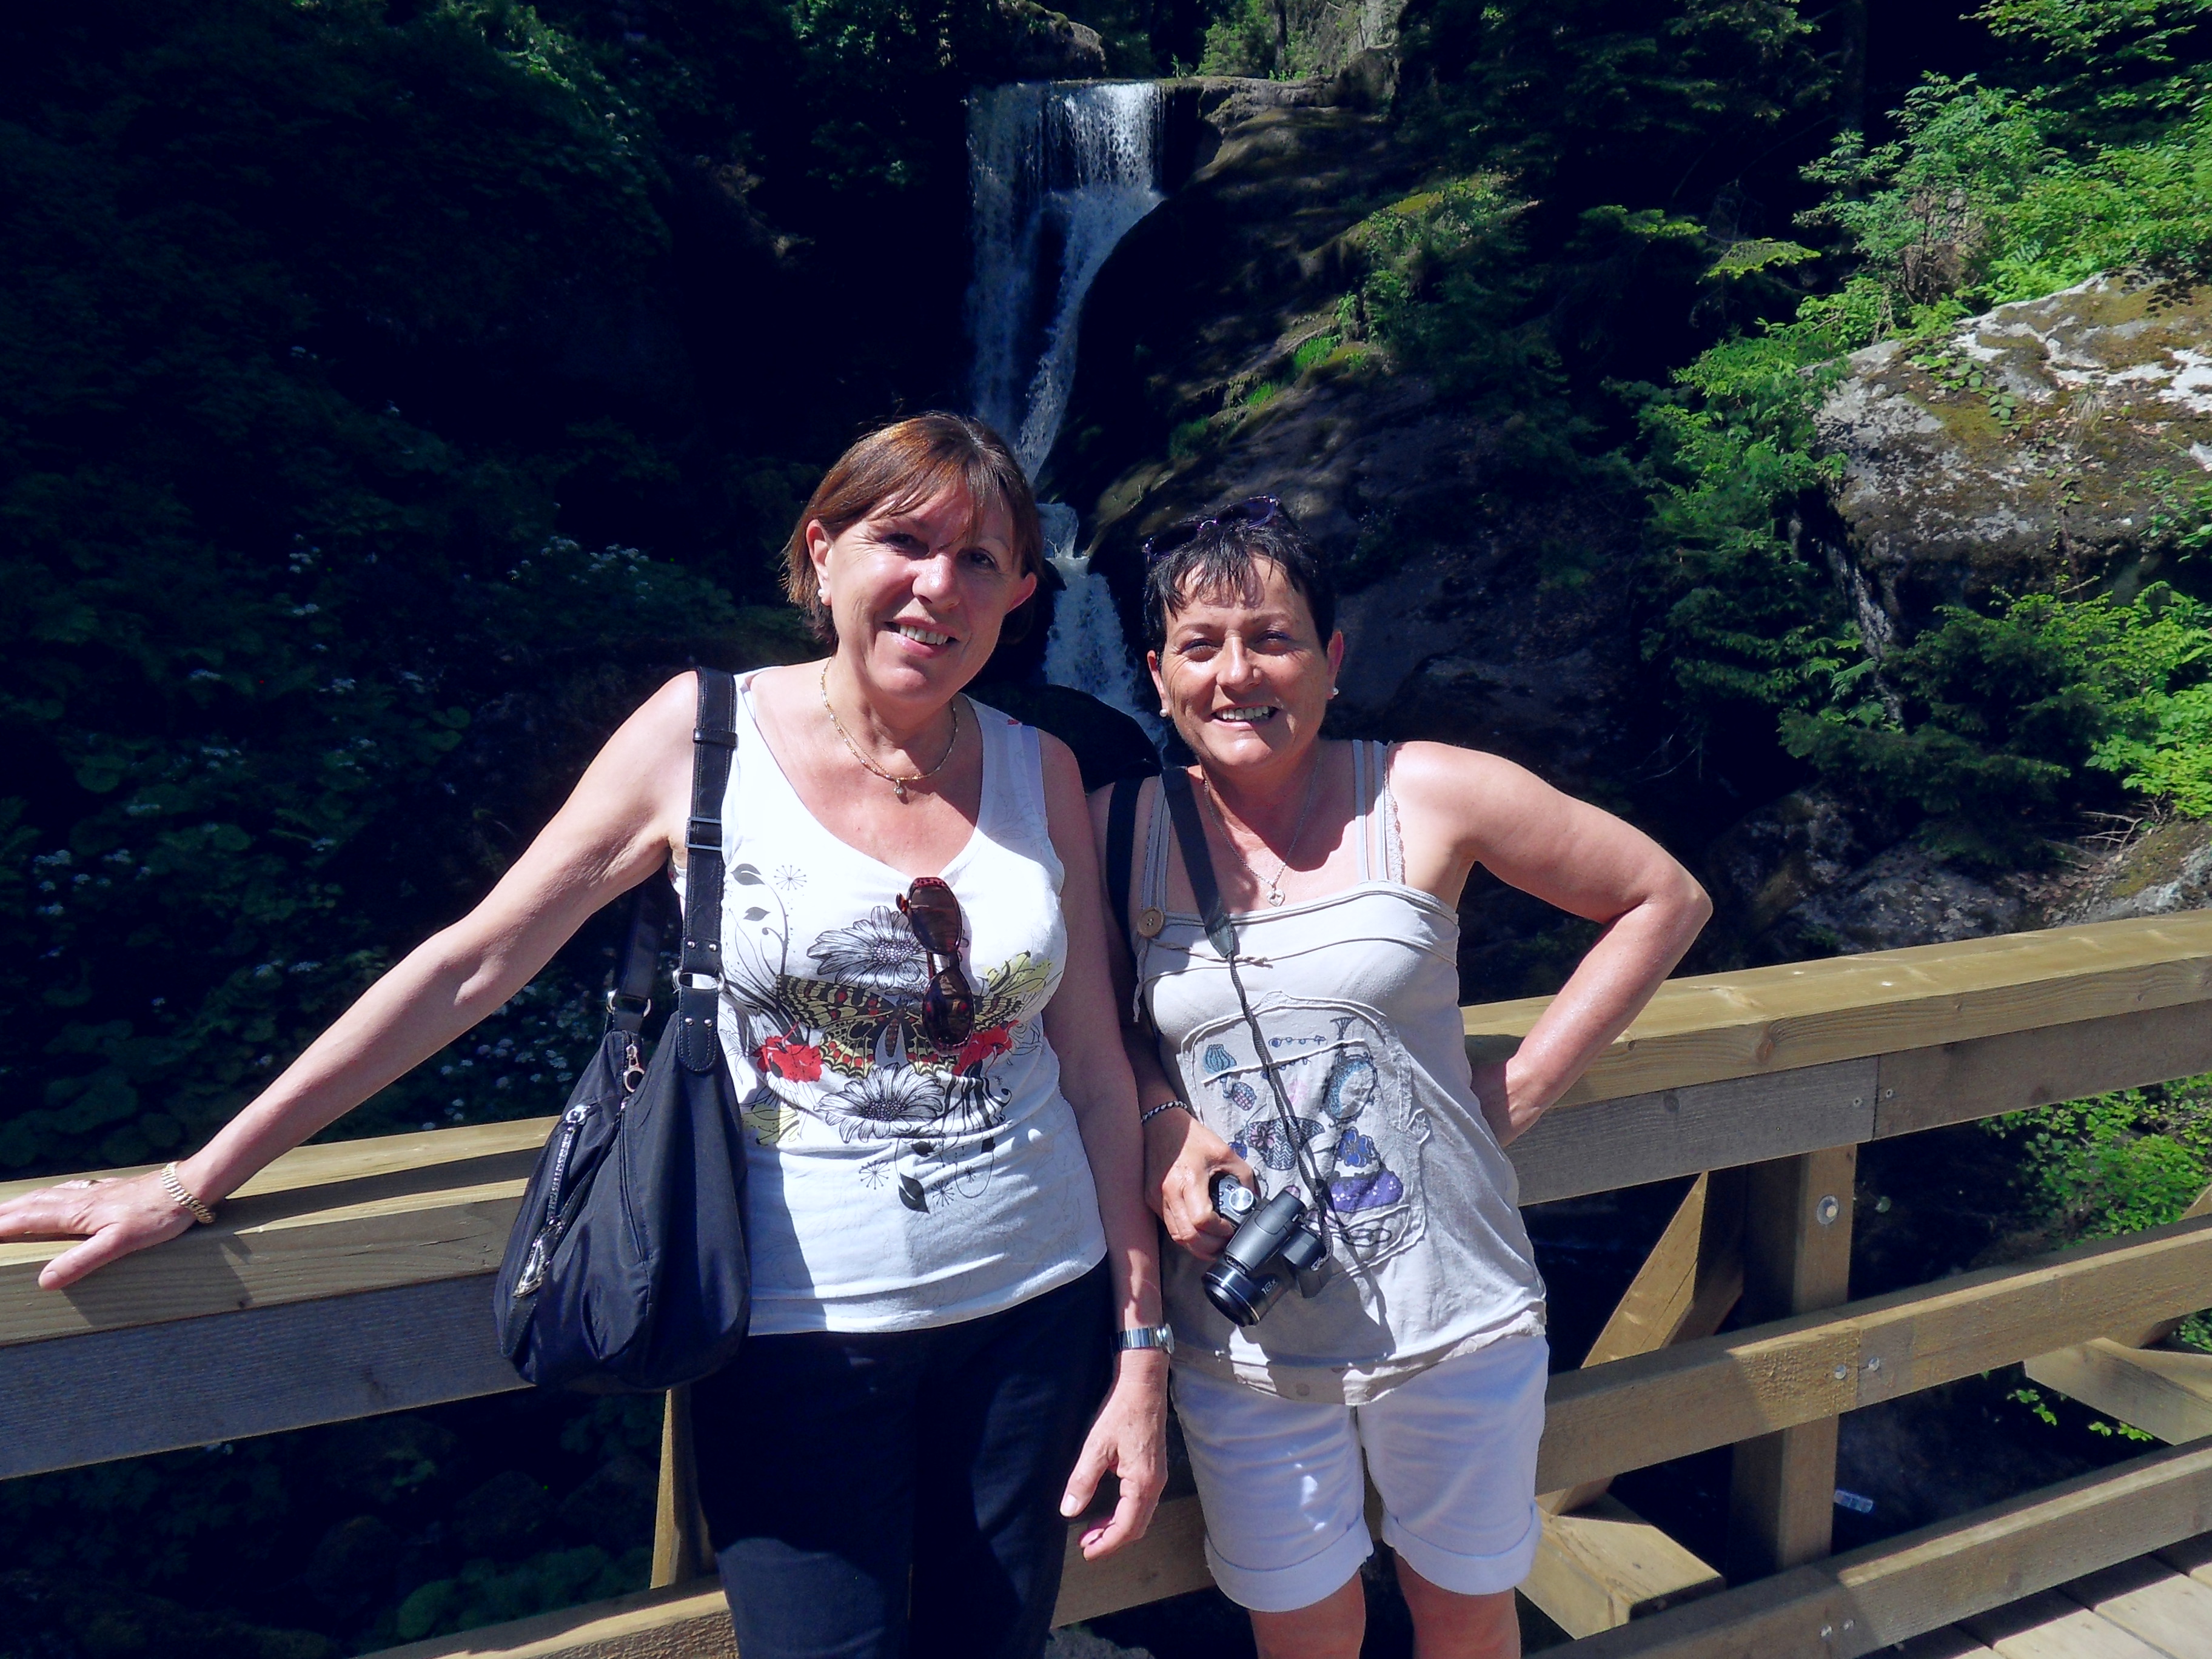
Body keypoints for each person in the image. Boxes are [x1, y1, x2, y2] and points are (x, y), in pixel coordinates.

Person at [0, 414, 1168, 1659]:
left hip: (1037, 1316)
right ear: (823, 552)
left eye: (980, 559)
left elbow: (1096, 1076)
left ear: (1022, 593)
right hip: (796, 1343)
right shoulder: (705, 736)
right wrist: (196, 1179)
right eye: (905, 541)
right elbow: (475, 962)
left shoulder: (1042, 767)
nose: (938, 586)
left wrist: (1140, 1346)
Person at [1091, 498, 1711, 1659]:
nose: (1237, 673)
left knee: (1465, 1619)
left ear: (1332, 659)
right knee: (1304, 1634)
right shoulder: (1113, 831)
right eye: (1200, 645)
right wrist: (1164, 1115)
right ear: (1158, 678)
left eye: (1273, 638)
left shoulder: (1428, 790)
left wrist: (1520, 1090)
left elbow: (1662, 897)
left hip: (1454, 1313)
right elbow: (1079, 1025)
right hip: (1241, 1336)